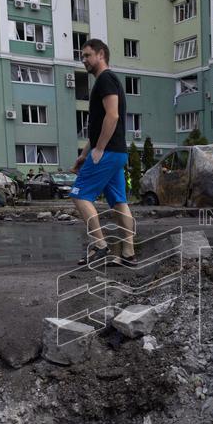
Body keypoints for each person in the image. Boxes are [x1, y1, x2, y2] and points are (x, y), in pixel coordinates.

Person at [71, 38, 136, 267]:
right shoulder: (104, 81)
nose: (84, 60)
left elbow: (113, 115)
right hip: (115, 152)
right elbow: (97, 126)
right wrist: (84, 154)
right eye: (82, 56)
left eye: (87, 55)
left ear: (101, 54)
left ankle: (100, 246)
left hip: (107, 152)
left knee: (80, 195)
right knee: (119, 201)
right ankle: (128, 253)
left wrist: (99, 149)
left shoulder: (106, 79)